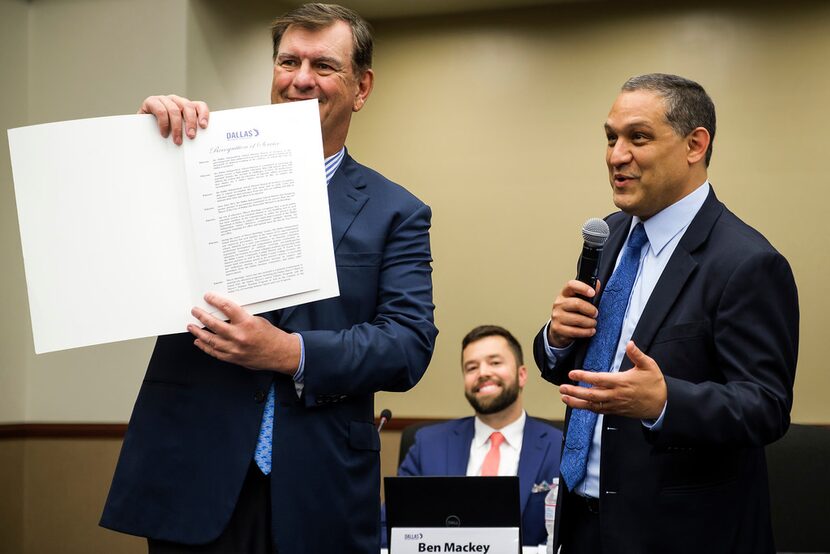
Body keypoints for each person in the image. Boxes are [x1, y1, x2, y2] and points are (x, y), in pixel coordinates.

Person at [100, 4, 437, 552]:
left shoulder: (396, 212)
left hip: (319, 487)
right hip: (193, 479)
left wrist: (289, 352)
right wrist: (148, 151)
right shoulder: (192, 167)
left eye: (324, 65)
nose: (301, 79)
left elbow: (407, 345)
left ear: (361, 86)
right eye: (288, 61)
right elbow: (114, 258)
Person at [533, 73, 799, 554]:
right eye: (611, 138)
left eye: (638, 137)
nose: (616, 155)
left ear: (695, 145)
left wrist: (664, 402)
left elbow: (766, 407)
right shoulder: (609, 236)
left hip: (680, 533)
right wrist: (555, 336)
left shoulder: (747, 262)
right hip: (580, 521)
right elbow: (571, 368)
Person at [387, 325, 563, 546]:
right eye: (471, 367)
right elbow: (392, 527)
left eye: (495, 363)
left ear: (522, 375)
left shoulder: (559, 448)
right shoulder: (428, 444)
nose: (483, 373)